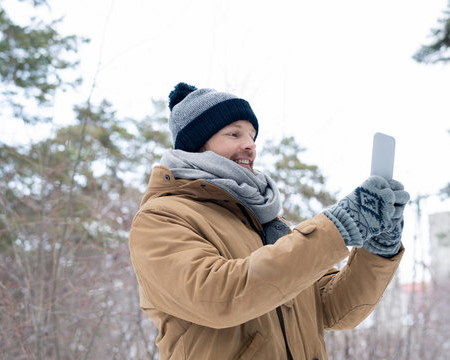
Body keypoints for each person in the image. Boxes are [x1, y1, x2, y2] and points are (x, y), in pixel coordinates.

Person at [128, 82, 410, 360]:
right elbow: (218, 296)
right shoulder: (161, 218)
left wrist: (378, 250)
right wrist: (337, 227)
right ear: (196, 144)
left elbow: (332, 308)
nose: (249, 145)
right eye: (234, 134)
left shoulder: (268, 222)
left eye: (252, 136)